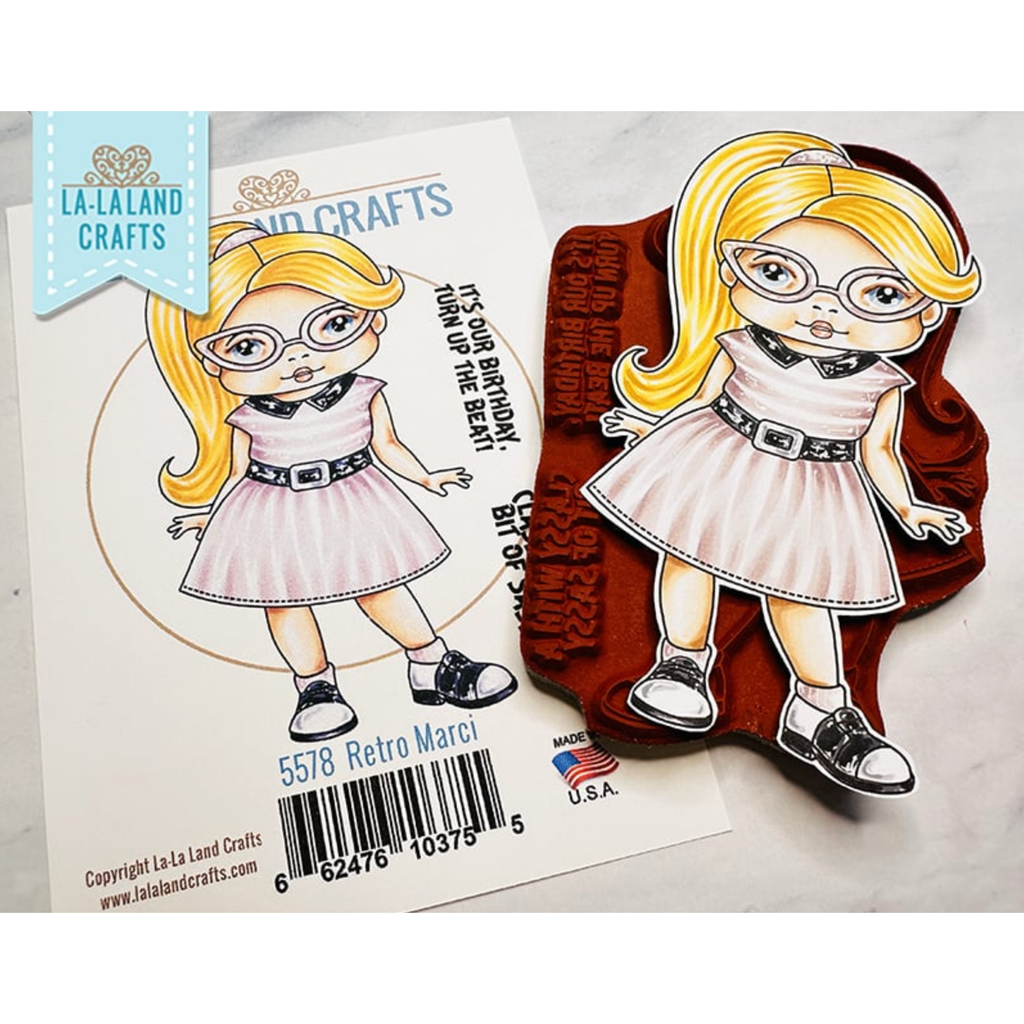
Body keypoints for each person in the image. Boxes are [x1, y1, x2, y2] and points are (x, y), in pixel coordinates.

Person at [581, 132, 981, 796]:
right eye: (779, 273)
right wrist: (649, 428)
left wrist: (908, 508)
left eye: (879, 294)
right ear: (730, 269)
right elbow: (700, 402)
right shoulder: (739, 344)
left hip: (816, 489)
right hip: (719, 457)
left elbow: (879, 450)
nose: (824, 310)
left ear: (929, 307)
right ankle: (681, 665)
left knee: (801, 594)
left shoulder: (881, 382)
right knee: (688, 557)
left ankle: (820, 710)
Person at [149, 222, 516, 743]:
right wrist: (212, 516)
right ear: (209, 361)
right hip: (269, 509)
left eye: (333, 324)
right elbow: (235, 473)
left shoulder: (364, 392)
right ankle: (316, 687)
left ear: (371, 317)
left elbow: (387, 445)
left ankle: (430, 662)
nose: (297, 359)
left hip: (354, 498)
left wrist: (426, 476)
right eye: (249, 347)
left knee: (380, 585)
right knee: (284, 599)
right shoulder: (246, 417)